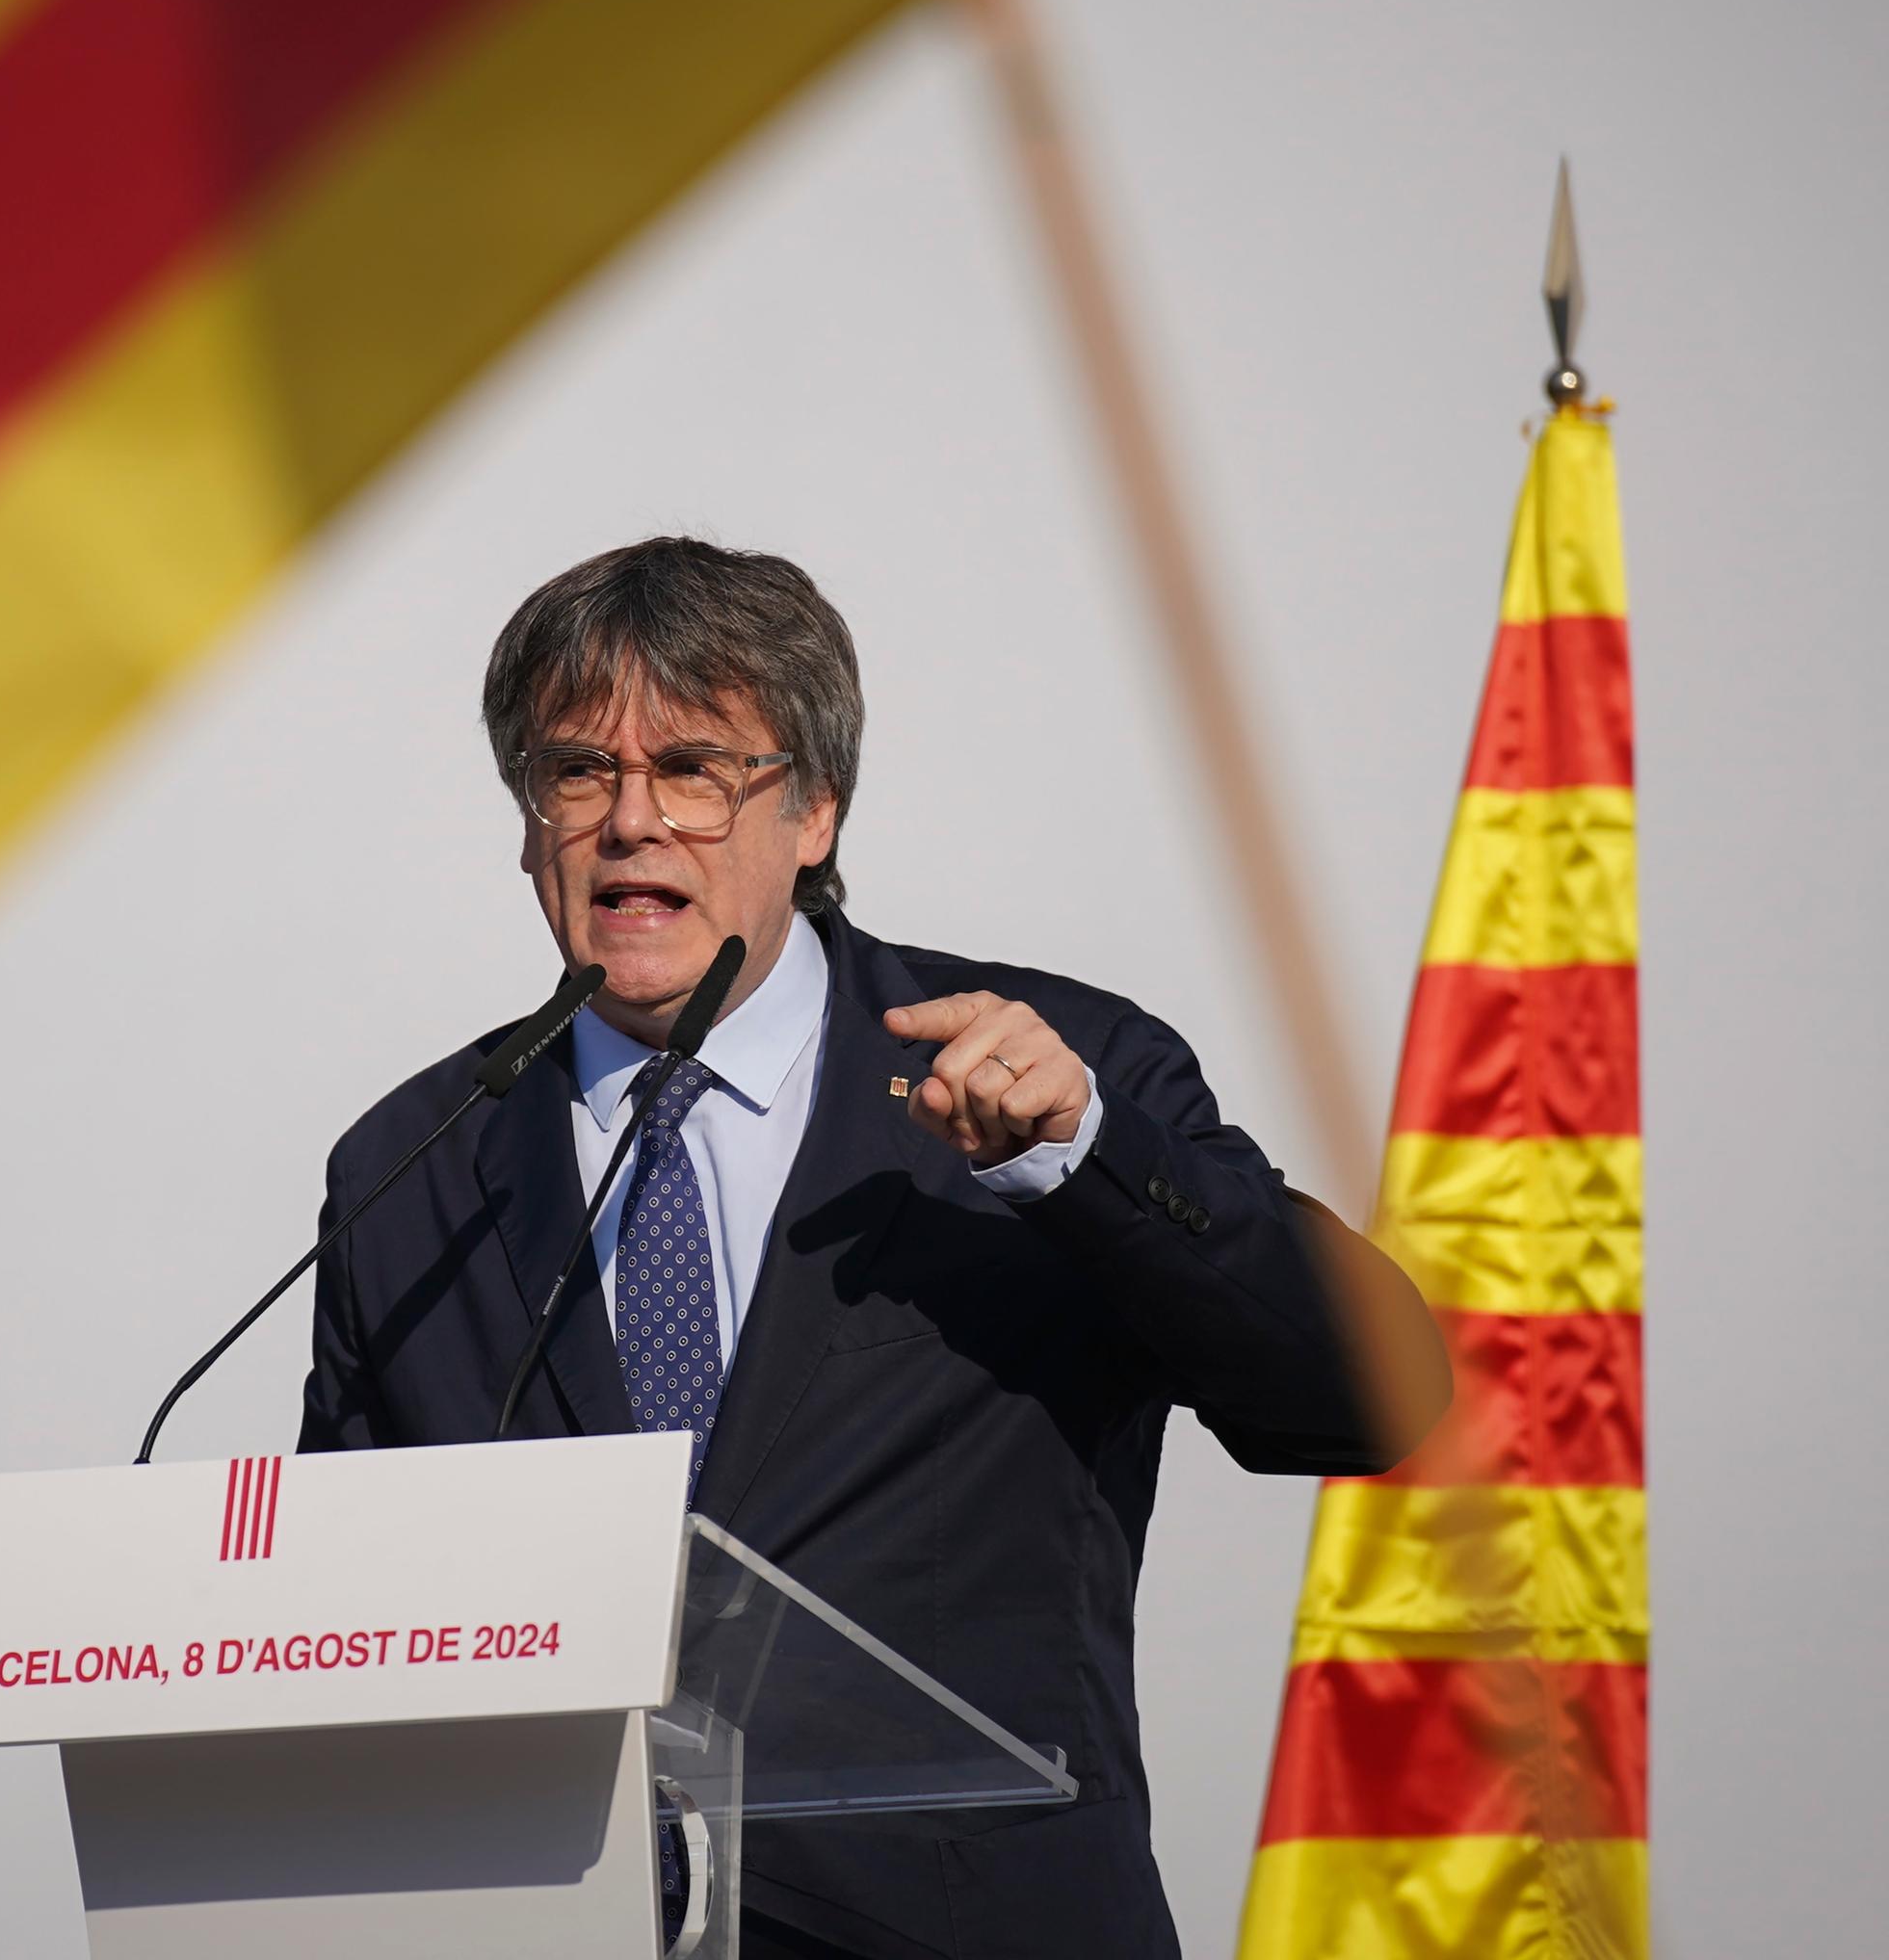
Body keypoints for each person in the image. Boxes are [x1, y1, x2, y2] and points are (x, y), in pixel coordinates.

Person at [297, 537, 1447, 1960]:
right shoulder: (412, 1167)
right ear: (528, 821)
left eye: (698, 768)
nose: (630, 823)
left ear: (817, 810)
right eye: (576, 772)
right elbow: (346, 1626)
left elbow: (1368, 1398)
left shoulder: (1052, 1081)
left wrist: (1080, 1164)